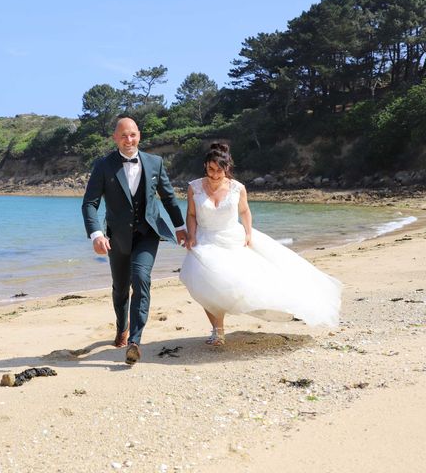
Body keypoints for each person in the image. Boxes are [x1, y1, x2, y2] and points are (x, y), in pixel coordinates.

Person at [180, 142, 341, 346]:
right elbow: (192, 214)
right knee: (204, 285)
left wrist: (248, 233)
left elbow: (245, 211)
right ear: (205, 166)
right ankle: (217, 331)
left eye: (219, 171)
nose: (214, 175)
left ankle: (230, 325)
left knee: (238, 284)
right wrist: (192, 235)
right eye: (210, 169)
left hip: (232, 240)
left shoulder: (238, 188)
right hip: (204, 240)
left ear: (227, 168)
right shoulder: (194, 187)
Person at [82, 117, 187, 365]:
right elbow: (90, 203)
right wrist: (96, 233)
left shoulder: (155, 163)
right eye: (123, 136)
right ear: (115, 138)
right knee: (120, 288)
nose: (128, 140)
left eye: (132, 135)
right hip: (116, 238)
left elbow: (169, 198)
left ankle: (135, 341)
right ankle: (122, 327)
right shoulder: (103, 165)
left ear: (139, 135)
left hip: (148, 234)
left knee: (141, 277)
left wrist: (180, 226)